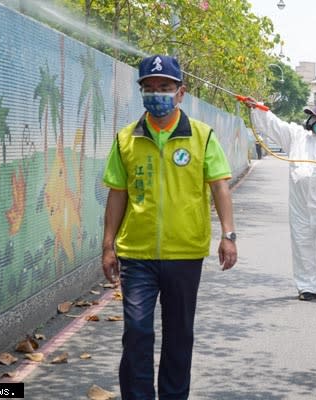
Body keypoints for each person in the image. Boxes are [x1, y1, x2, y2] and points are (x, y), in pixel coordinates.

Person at [102, 54, 238, 399]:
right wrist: (108, 245)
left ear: (181, 92)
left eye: (164, 87)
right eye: (149, 87)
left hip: (185, 253)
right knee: (136, 332)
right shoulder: (126, 139)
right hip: (137, 254)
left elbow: (220, 186)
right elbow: (117, 194)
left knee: (179, 335)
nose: (156, 93)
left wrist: (228, 235)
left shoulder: (202, 137)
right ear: (141, 92)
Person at [245, 99, 316, 301]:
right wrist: (258, 108)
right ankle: (308, 287)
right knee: (302, 244)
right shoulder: (298, 137)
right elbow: (275, 124)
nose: (312, 120)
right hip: (300, 204)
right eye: (311, 115)